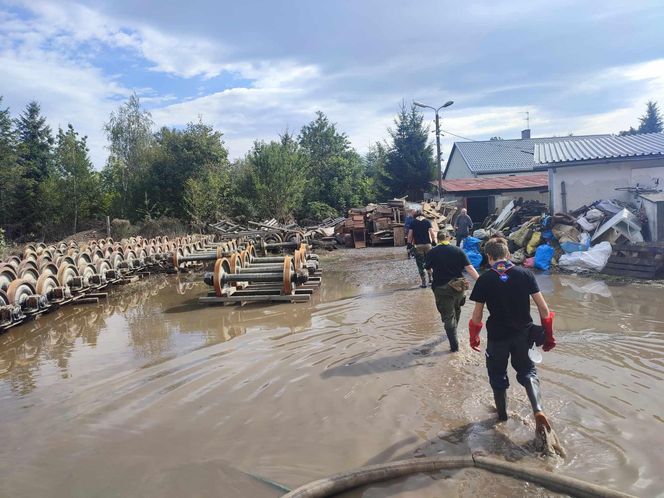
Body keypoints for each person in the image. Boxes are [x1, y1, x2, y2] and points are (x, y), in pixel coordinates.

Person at [468, 237, 556, 433]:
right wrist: (549, 336)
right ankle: (538, 410)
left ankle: (502, 418)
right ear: (507, 254)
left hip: (497, 337)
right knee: (528, 372)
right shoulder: (525, 274)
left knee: (497, 375)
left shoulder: (485, 279)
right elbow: (543, 308)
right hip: (523, 335)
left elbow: (477, 315)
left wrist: (474, 337)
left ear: (488, 256)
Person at [425, 229, 480, 351]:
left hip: (441, 288)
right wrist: (481, 282)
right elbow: (470, 268)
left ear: (437, 239)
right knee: (457, 309)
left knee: (448, 316)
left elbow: (428, 269)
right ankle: (453, 331)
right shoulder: (458, 250)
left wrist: (433, 272)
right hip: (458, 287)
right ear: (449, 238)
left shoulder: (432, 252)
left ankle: (454, 347)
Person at [407, 211, 435, 288]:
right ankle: (431, 279)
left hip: (418, 246)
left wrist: (409, 245)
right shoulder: (427, 221)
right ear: (423, 215)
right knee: (429, 262)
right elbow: (432, 233)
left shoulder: (413, 222)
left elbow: (410, 235)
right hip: (428, 245)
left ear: (415, 216)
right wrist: (434, 242)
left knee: (420, 264)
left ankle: (423, 283)